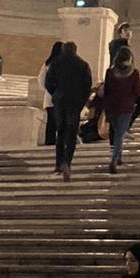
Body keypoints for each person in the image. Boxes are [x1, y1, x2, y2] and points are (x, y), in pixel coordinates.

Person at [44, 39, 94, 180]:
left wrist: (56, 94)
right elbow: (87, 86)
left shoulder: (56, 63)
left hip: (60, 101)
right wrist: (82, 102)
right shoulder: (83, 65)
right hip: (75, 103)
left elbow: (48, 82)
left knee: (60, 133)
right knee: (71, 134)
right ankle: (67, 162)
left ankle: (59, 163)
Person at [99, 48, 140, 174]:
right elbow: (137, 91)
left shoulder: (110, 72)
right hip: (126, 107)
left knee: (118, 132)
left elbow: (106, 89)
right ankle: (114, 160)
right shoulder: (134, 73)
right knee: (120, 133)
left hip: (111, 107)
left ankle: (119, 157)